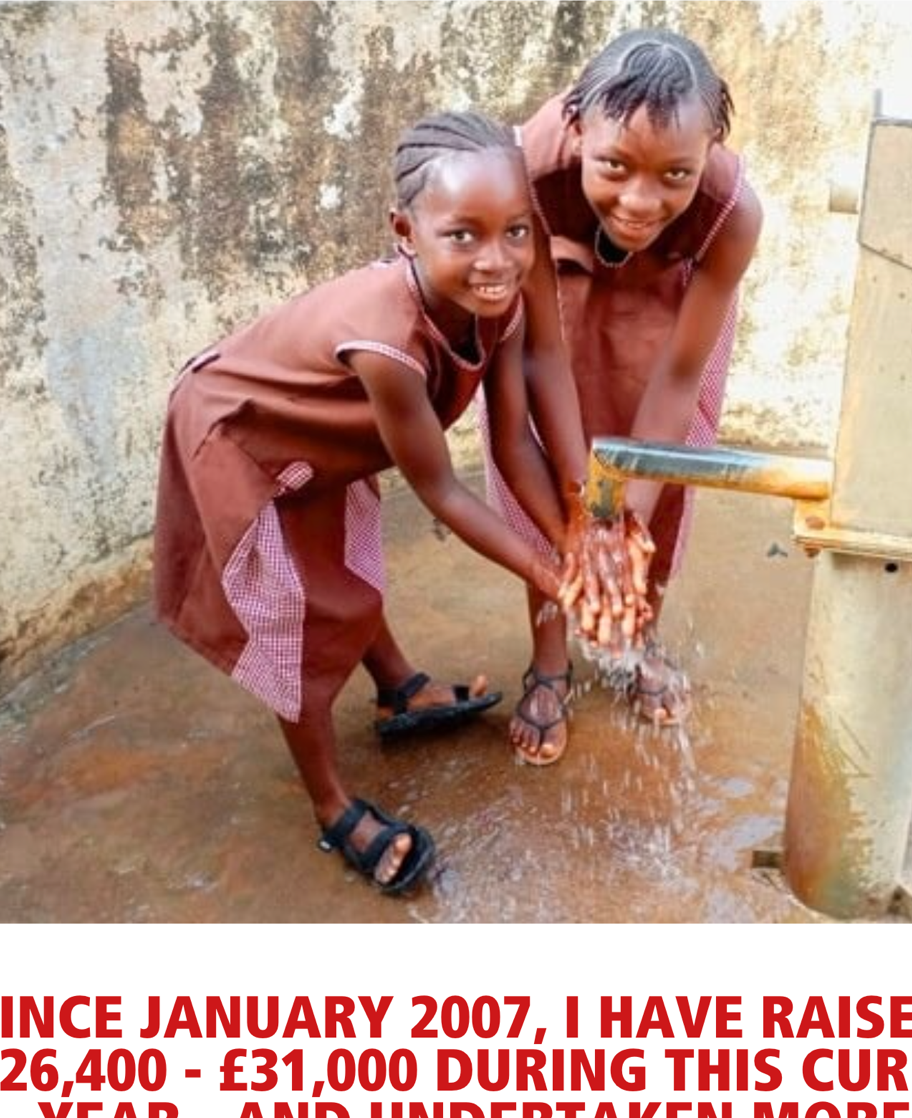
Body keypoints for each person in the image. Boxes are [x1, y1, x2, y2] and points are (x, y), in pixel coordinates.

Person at [154, 111, 563, 893]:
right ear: (405, 230)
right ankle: (332, 804)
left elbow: (512, 445)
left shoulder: (498, 302)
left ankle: (398, 687)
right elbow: (441, 487)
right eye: (464, 235)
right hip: (240, 438)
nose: (498, 259)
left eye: (517, 231)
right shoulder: (385, 341)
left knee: (349, 561)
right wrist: (555, 579)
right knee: (300, 624)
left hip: (320, 437)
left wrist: (573, 545)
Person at [484, 27, 763, 766]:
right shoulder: (524, 176)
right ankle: (549, 660)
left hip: (670, 314)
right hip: (557, 311)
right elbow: (542, 355)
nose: (641, 200)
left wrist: (620, 528)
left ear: (708, 152)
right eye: (613, 165)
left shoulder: (732, 212)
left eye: (676, 174)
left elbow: (677, 378)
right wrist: (584, 509)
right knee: (547, 479)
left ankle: (636, 634)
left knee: (660, 496)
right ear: (578, 130)